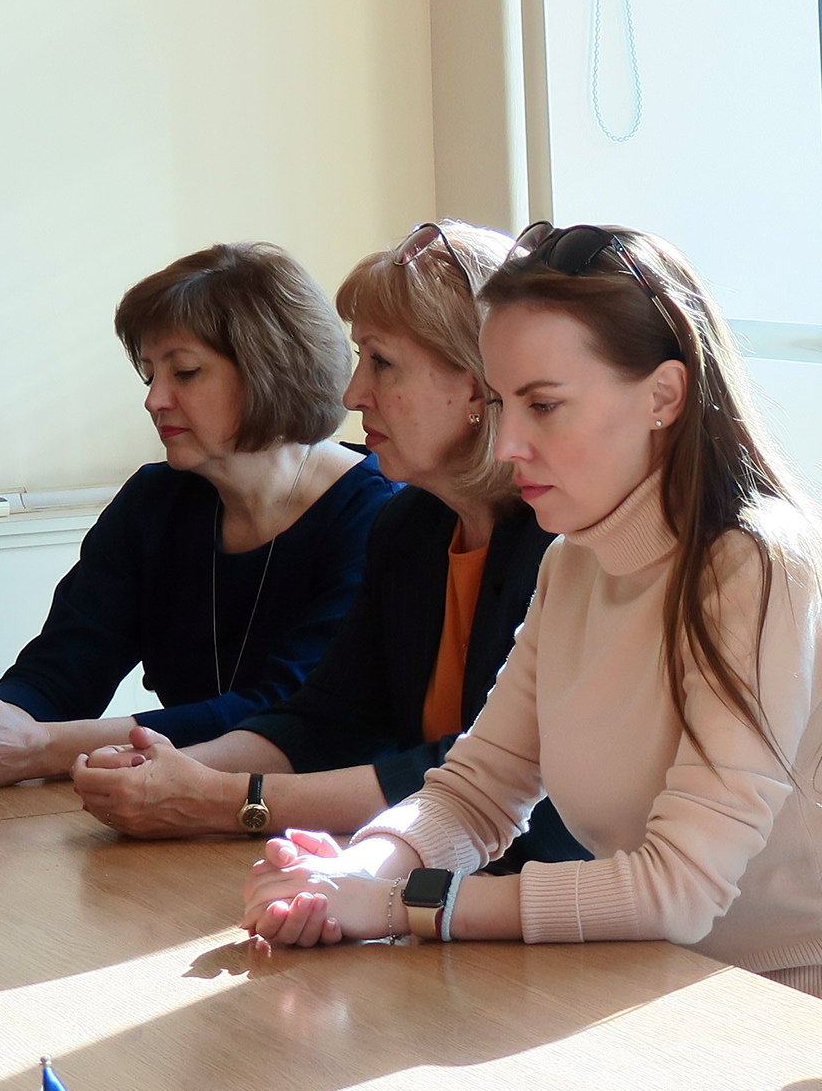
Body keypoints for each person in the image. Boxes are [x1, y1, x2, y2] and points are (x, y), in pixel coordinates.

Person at [238, 224, 822, 1035]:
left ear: (664, 396)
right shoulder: (572, 562)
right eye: (502, 403)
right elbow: (477, 791)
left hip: (818, 1025)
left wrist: (401, 901)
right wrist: (353, 871)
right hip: (656, 1000)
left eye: (543, 406)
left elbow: (677, 889)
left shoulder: (758, 566)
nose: (507, 444)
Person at [69, 221, 583, 864]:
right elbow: (324, 720)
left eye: (381, 363)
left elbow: (480, 770)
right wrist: (165, 768)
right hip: (424, 878)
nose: (352, 393)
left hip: (545, 891)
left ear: (479, 382)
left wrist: (223, 799)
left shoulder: (563, 540)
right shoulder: (410, 526)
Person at [0, 243, 396, 790]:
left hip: (328, 820)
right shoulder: (154, 501)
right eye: (149, 375)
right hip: (174, 808)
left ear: (271, 370)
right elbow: (65, 667)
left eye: (185, 372)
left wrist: (39, 747)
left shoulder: (381, 515)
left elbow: (287, 712)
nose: (155, 400)